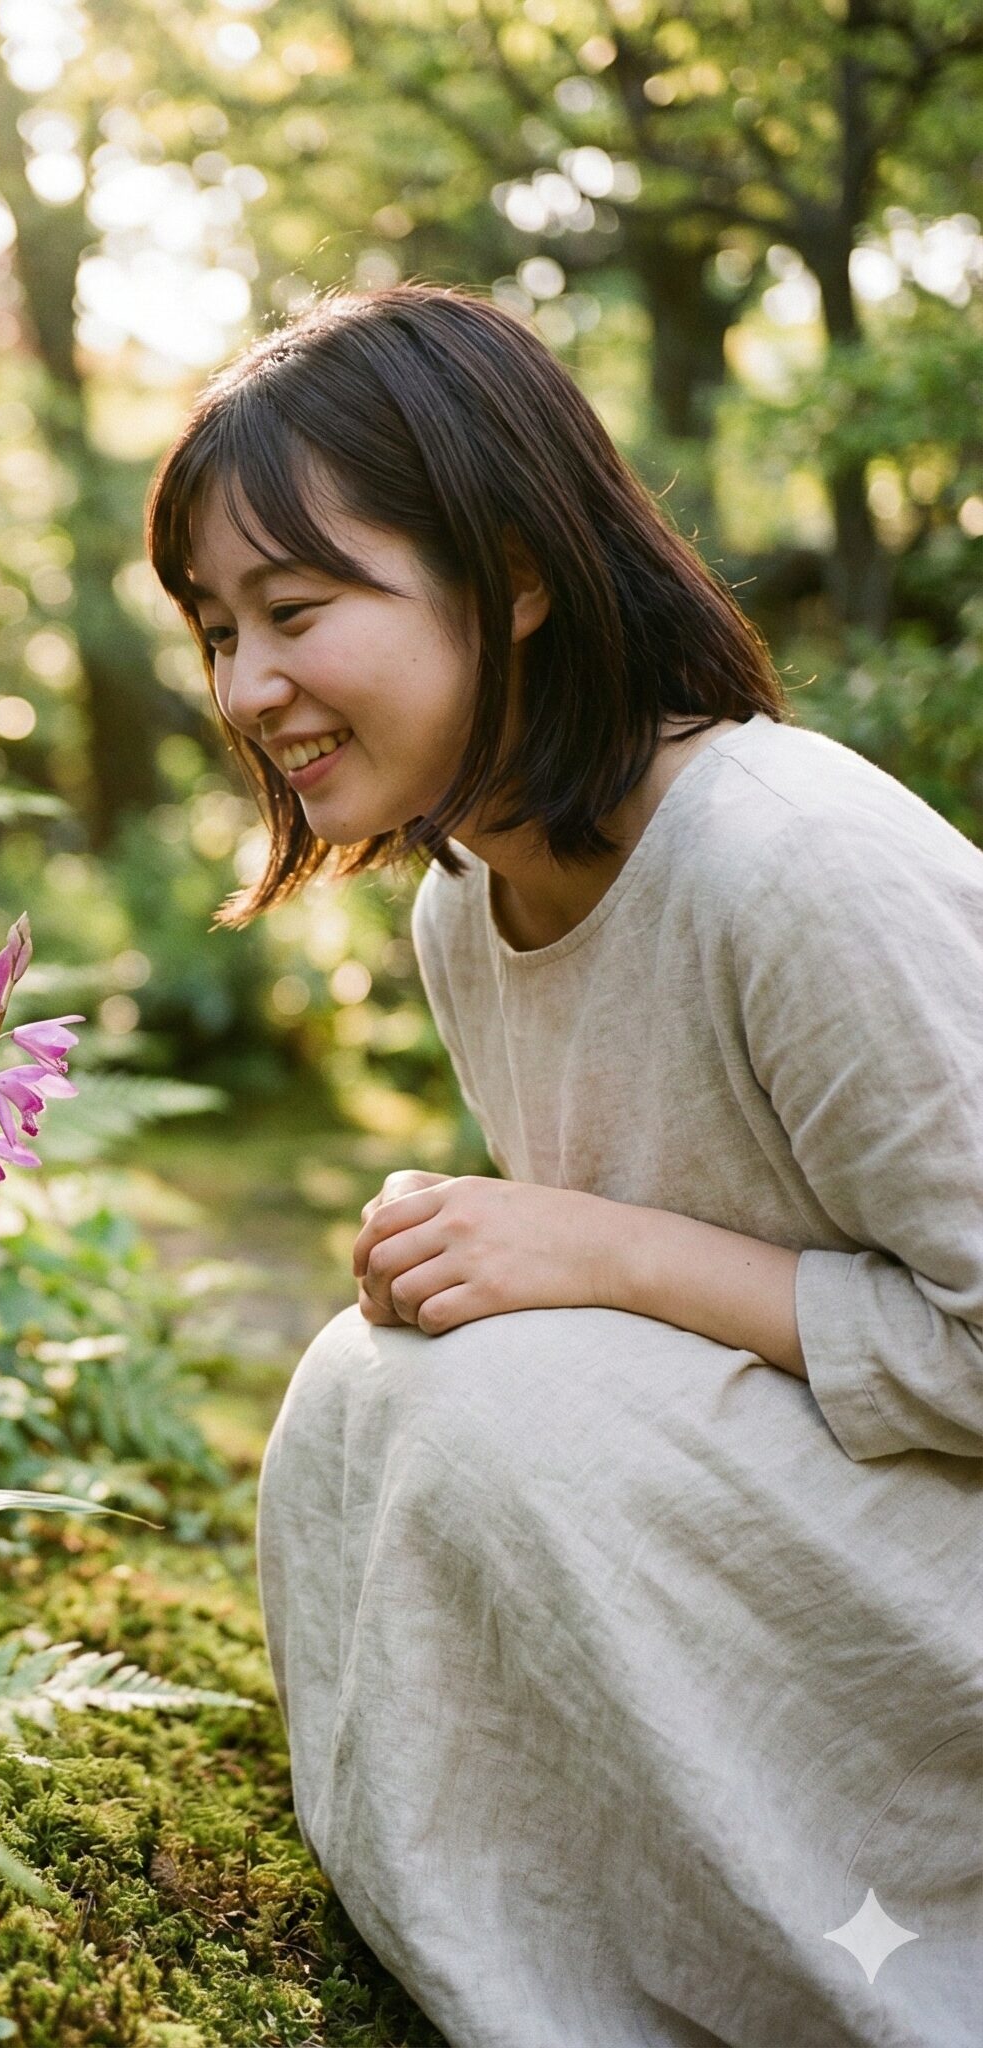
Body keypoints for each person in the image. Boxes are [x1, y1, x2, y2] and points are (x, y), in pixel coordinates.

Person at [143, 282, 983, 2047]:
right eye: (217, 626)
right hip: (827, 1531)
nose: (246, 685)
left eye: (297, 609)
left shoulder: (794, 865)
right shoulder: (469, 908)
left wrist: (601, 1254)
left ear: (514, 569)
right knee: (373, 1388)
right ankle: (506, 1959)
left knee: (487, 1408)